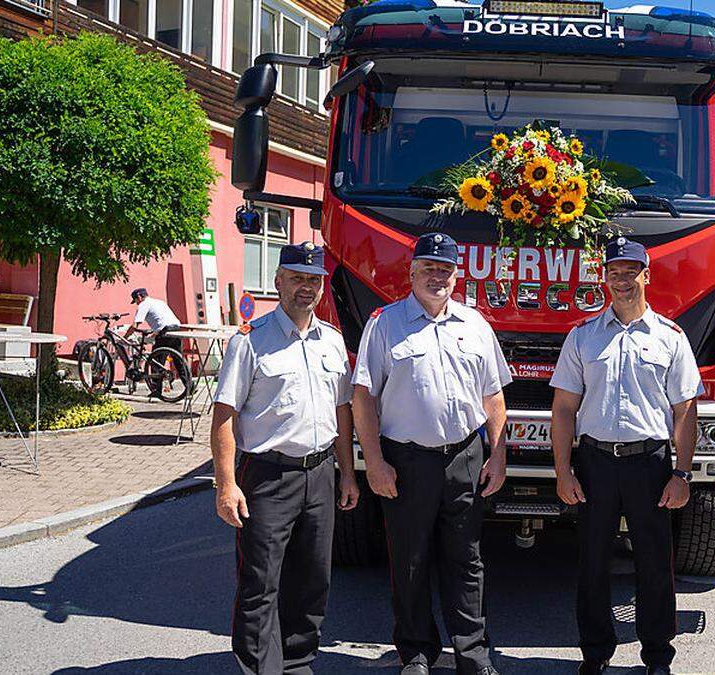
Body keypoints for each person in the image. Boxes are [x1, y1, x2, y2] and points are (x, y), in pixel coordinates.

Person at [351, 232, 510, 675]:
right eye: (428, 268)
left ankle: (473, 654)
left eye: (445, 269)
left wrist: (497, 454)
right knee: (410, 559)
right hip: (406, 461)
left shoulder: (476, 325)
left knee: (468, 559)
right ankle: (417, 653)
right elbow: (363, 398)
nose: (436, 277)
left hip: (465, 458)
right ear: (412, 273)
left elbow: (493, 395)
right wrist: (376, 461)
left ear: (456, 276)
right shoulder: (384, 324)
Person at [550, 236, 703, 675]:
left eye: (630, 272)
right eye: (614, 272)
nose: (622, 280)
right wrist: (564, 471)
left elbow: (685, 412)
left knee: (655, 563)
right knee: (592, 562)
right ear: (604, 278)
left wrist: (682, 474)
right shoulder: (582, 336)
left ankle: (657, 656)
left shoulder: (670, 338)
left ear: (646, 275)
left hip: (650, 464)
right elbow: (563, 408)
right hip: (595, 462)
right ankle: (595, 653)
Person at [210, 242, 360, 675]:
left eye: (313, 280)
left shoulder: (332, 341)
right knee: (261, 582)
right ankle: (260, 667)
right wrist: (226, 484)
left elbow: (342, 411)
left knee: (313, 580)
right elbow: (224, 417)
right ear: (277, 282)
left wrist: (348, 473)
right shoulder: (251, 342)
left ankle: (297, 662)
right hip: (268, 476)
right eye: (296, 278)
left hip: (319, 476)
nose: (306, 288)